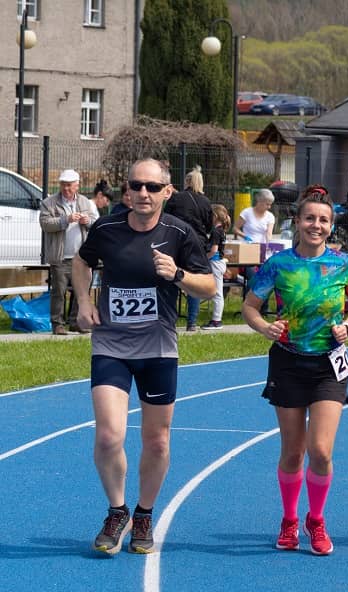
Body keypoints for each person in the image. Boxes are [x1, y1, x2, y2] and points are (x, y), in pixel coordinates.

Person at [71, 158, 215, 555]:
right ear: (127, 190)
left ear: (167, 192)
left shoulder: (179, 233)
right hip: (111, 345)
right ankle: (117, 510)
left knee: (156, 441)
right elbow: (81, 261)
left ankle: (145, 513)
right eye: (136, 185)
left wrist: (178, 275)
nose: (143, 193)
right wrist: (84, 302)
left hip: (158, 349)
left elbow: (209, 287)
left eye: (152, 187)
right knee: (108, 436)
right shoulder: (106, 228)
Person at [241, 184, 348, 556]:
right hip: (288, 362)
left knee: (321, 451)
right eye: (310, 218)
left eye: (323, 220)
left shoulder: (344, 265)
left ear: (331, 226)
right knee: (293, 452)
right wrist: (264, 327)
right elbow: (250, 307)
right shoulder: (278, 264)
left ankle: (316, 519)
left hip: (329, 365)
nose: (316, 225)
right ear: (297, 221)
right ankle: (289, 519)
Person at [39, 169, 99, 335]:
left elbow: (96, 223)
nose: (66, 188)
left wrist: (88, 221)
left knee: (81, 292)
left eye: (69, 185)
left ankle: (76, 322)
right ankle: (57, 324)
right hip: (60, 257)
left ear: (77, 185)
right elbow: (45, 224)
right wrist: (65, 219)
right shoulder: (49, 203)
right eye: (63, 185)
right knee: (59, 292)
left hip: (81, 258)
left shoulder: (86, 202)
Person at [164, 166, 214, 331]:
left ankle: (168, 318)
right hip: (197, 244)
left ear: (187, 181)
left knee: (172, 277)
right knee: (194, 281)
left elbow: (165, 217)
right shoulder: (205, 201)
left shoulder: (176, 198)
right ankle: (191, 322)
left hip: (175, 240)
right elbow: (209, 226)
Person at [235, 189, 276, 313]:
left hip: (263, 252)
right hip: (248, 251)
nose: (269, 207)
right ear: (260, 201)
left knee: (267, 277)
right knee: (253, 277)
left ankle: (264, 307)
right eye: (267, 204)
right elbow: (235, 229)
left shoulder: (270, 216)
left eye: (270, 204)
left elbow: (269, 233)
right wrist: (245, 236)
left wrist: (268, 243)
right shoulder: (247, 213)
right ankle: (248, 306)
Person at [201, 204, 232, 329]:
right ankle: (216, 319)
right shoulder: (222, 230)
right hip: (219, 263)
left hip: (215, 263)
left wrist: (204, 258)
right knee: (217, 292)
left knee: (217, 293)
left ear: (215, 216)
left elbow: (214, 250)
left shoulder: (215, 231)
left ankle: (216, 321)